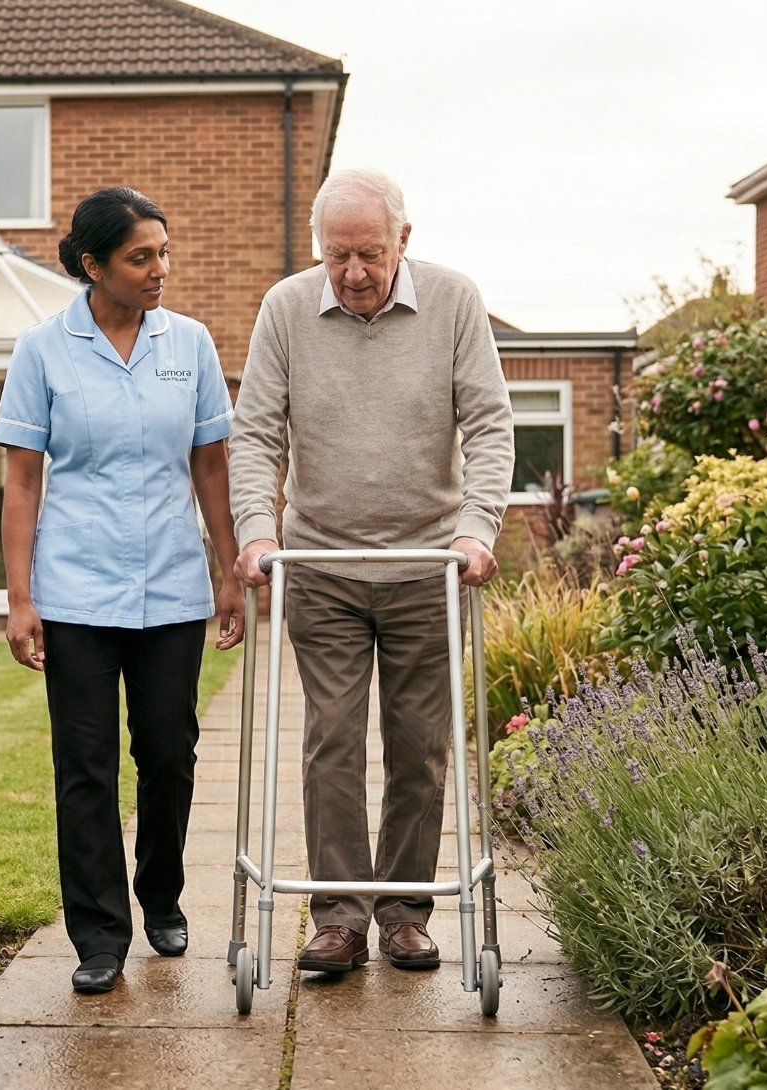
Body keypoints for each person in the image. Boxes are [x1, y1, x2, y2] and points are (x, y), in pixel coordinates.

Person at [229, 168, 514, 974]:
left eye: (370, 254)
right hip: (321, 563)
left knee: (420, 749)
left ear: (403, 241)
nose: (353, 273)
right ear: (319, 248)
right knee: (332, 743)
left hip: (428, 566)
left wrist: (476, 529)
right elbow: (256, 433)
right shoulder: (286, 308)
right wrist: (256, 531)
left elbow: (489, 425)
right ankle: (340, 918)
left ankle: (404, 912)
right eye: (337, 255)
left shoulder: (454, 303)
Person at [0, 186, 245, 995]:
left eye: (164, 252)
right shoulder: (42, 350)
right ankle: (98, 935)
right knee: (86, 767)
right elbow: (22, 480)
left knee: (169, 755)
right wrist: (20, 598)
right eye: (141, 257)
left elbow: (211, 466)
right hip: (75, 592)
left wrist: (230, 570)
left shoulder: (190, 343)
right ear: (92, 265)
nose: (159, 268)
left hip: (171, 587)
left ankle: (161, 896)